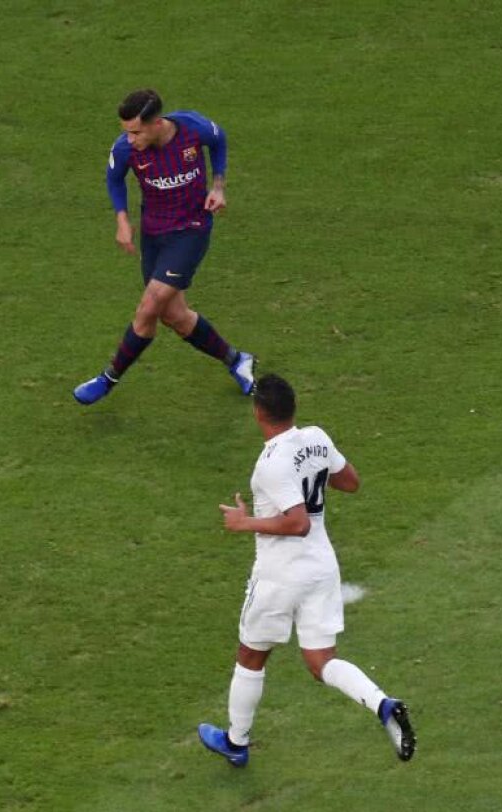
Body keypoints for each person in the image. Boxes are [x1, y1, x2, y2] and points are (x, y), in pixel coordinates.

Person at [198, 373, 415, 766]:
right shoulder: (317, 436)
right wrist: (313, 472)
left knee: (251, 654)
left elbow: (296, 523)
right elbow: (350, 482)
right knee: (321, 662)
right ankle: (384, 705)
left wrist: (245, 523)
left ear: (258, 412)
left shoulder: (268, 464)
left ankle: (236, 741)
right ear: (292, 407)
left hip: (279, 575)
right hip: (322, 568)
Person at [74, 88, 256, 405]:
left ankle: (108, 379)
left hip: (191, 230)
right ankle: (238, 361)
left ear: (156, 122)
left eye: (136, 131)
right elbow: (114, 178)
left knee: (149, 307)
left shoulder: (192, 128)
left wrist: (218, 186)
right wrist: (122, 220)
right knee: (174, 315)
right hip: (154, 234)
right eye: (126, 132)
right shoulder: (127, 149)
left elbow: (219, 139)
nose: (130, 139)